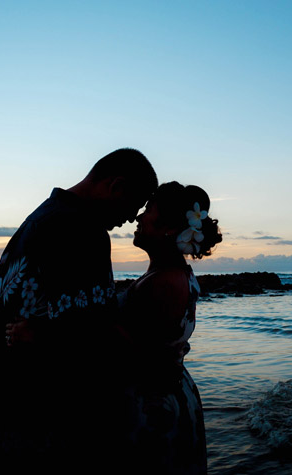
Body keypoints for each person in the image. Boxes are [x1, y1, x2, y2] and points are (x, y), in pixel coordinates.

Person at [0, 148, 157, 472]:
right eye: (135, 205)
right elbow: (93, 335)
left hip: (6, 414)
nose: (131, 218)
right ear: (116, 186)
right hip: (46, 427)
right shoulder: (79, 229)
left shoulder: (43, 217)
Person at [115, 181, 221, 474]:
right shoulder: (165, 274)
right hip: (162, 394)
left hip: (154, 405)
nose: (138, 217)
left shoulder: (166, 282)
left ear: (170, 228)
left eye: (149, 209)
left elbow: (133, 350)